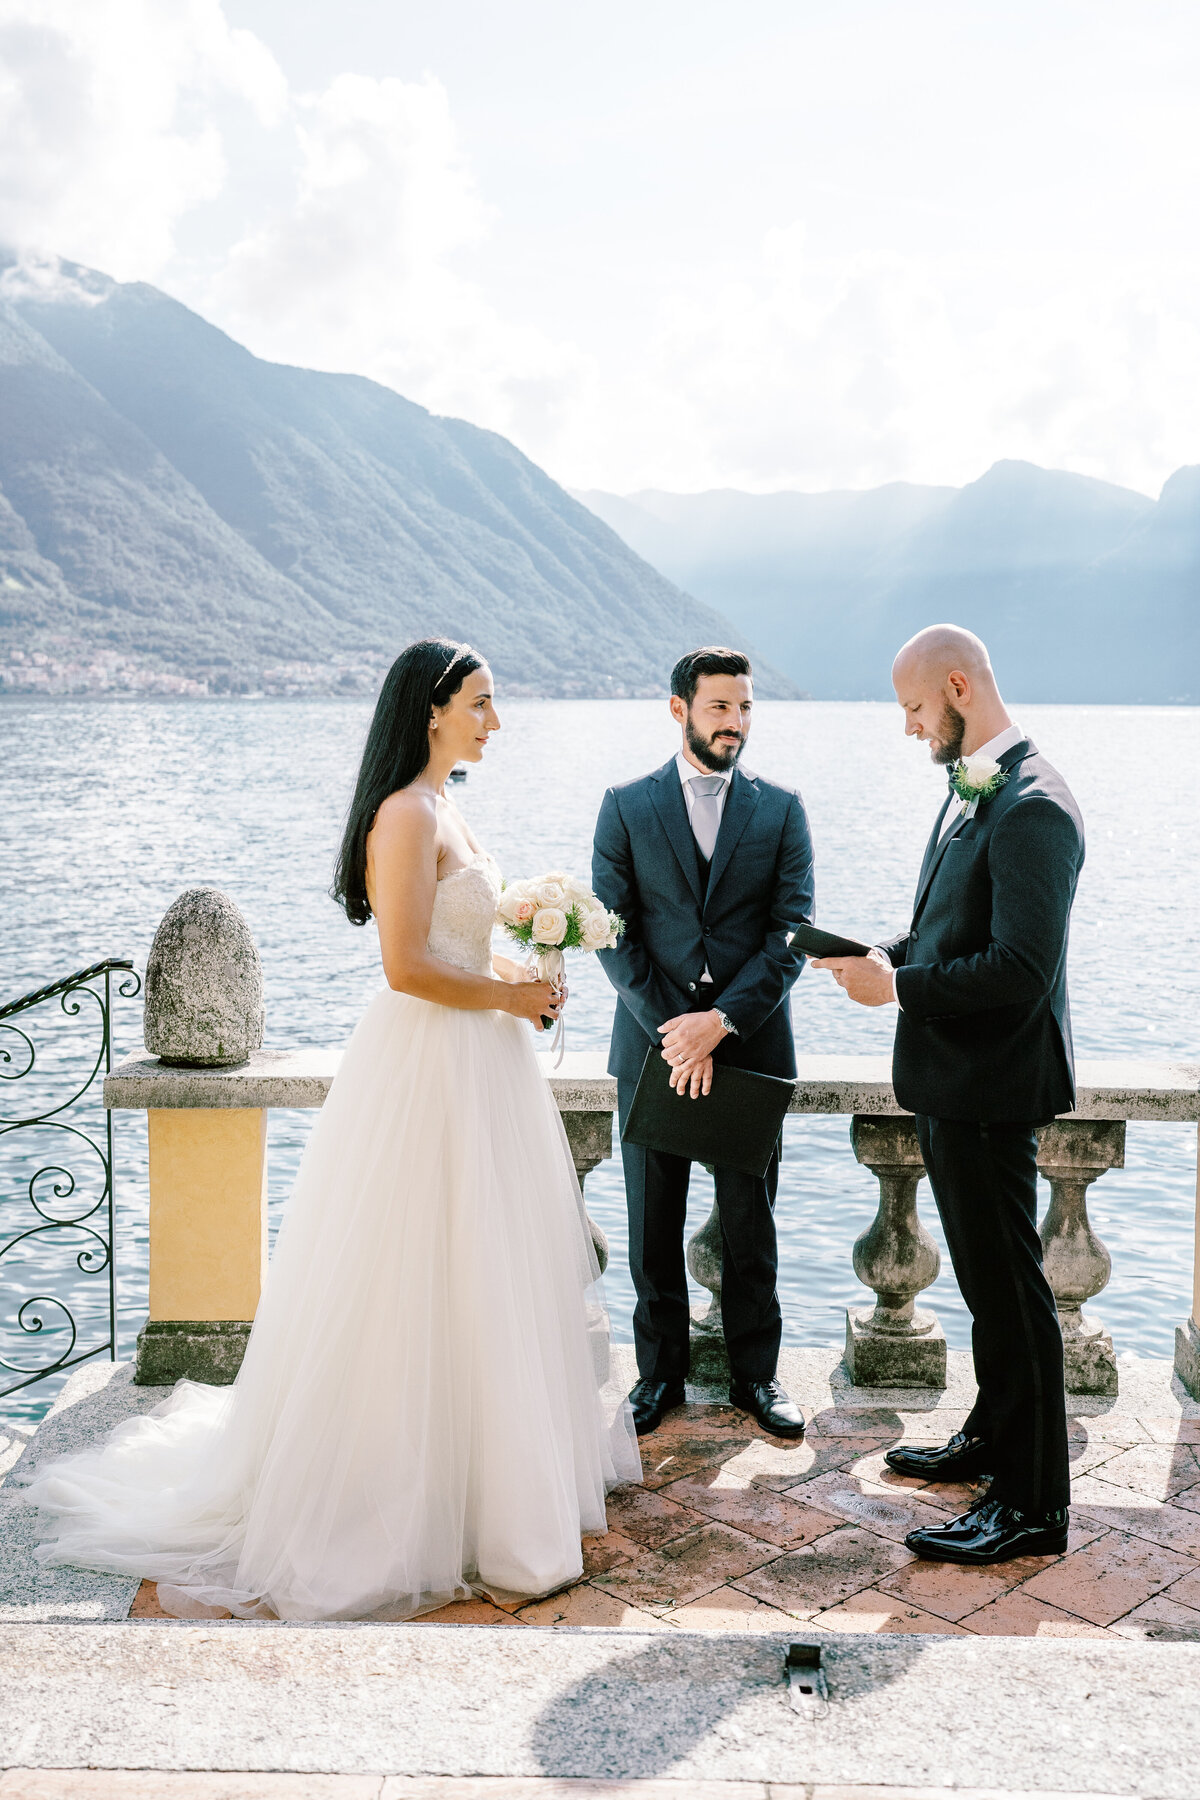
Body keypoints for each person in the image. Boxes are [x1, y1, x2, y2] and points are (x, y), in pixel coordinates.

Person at [30, 639, 640, 1620]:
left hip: (483, 1061)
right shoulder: (403, 814)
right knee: (413, 1276)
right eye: (481, 702)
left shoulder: (449, 806)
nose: (496, 720)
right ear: (432, 708)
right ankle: (396, 1506)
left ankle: (489, 1493)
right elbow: (405, 966)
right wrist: (506, 991)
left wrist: (526, 979)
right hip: (430, 1062)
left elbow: (460, 939)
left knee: (482, 1274)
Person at [812, 623, 1083, 1565]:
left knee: (1013, 1295)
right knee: (982, 1287)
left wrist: (903, 990)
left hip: (991, 1088)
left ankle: (1034, 1507)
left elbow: (1019, 966)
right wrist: (888, 954)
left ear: (959, 687)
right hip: (952, 1081)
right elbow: (952, 924)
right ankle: (992, 1440)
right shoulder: (974, 791)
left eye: (915, 708)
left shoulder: (1034, 805)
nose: (909, 728)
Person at [592, 647, 815, 1439]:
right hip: (653, 1049)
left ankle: (758, 1376)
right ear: (679, 707)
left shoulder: (782, 807)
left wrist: (720, 1024)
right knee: (653, 1220)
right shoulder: (624, 805)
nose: (736, 722)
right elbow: (611, 933)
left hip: (750, 1046)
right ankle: (659, 1379)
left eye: (746, 708)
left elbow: (791, 933)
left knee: (751, 1222)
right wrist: (677, 1031)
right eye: (721, 707)